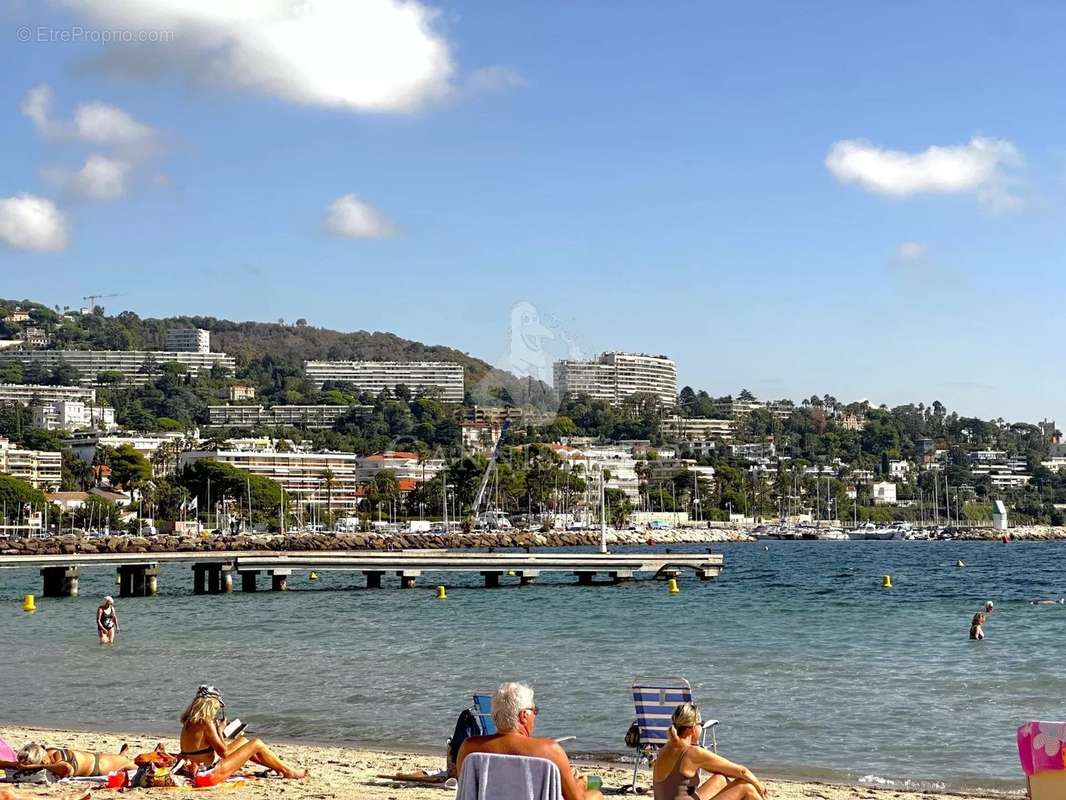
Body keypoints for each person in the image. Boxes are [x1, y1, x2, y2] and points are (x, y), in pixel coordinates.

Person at [457, 682, 602, 800]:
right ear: (523, 716)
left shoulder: (469, 748)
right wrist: (582, 785)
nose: (535, 716)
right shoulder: (549, 750)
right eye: (534, 711)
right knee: (596, 795)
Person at [178, 685, 307, 784]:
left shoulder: (189, 721)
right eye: (217, 707)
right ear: (211, 705)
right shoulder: (206, 723)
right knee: (256, 743)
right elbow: (224, 753)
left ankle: (277, 767)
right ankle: (287, 771)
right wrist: (220, 730)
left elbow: (212, 750)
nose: (217, 711)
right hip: (208, 775)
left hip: (198, 770)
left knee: (243, 741)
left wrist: (219, 732)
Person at [652, 704, 767, 800]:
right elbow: (742, 771)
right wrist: (759, 786)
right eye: (701, 724)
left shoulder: (665, 748)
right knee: (746, 787)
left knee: (720, 779)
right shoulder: (692, 753)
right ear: (693, 728)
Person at [0, 742, 134, 779]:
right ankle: (121, 754)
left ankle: (123, 755)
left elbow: (67, 769)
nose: (44, 764)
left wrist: (31, 767)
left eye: (41, 762)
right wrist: (13, 764)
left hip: (99, 766)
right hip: (91, 757)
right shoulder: (41, 756)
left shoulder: (58, 756)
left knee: (130, 764)